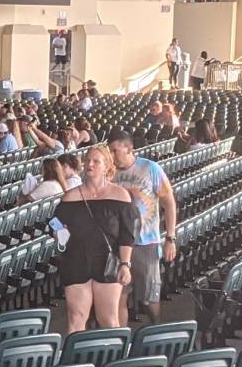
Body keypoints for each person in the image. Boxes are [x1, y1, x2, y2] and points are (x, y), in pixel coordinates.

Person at [54, 153, 137, 334]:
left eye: (96, 161)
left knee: (107, 318)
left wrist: (125, 264)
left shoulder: (121, 196)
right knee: (76, 317)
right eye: (88, 161)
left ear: (107, 166)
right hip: (76, 260)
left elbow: (127, 235)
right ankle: (74, 360)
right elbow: (55, 223)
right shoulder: (70, 197)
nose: (90, 164)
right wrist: (60, 236)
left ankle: (111, 359)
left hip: (107, 262)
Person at [106, 135, 178, 323]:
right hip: (117, 243)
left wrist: (170, 238)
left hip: (145, 242)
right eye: (109, 151)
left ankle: (156, 327)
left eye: (115, 151)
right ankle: (121, 339)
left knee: (148, 298)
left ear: (129, 149)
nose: (111, 155)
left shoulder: (150, 168)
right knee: (118, 296)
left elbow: (168, 202)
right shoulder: (109, 173)